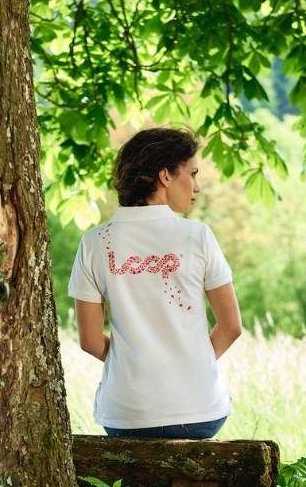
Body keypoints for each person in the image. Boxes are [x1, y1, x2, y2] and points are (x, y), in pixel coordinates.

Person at [68, 126, 243, 439]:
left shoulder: (95, 243)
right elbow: (231, 326)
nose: (197, 186)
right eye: (192, 173)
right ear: (165, 175)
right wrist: (188, 364)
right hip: (199, 410)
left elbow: (90, 341)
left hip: (127, 414)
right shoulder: (198, 237)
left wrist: (138, 366)